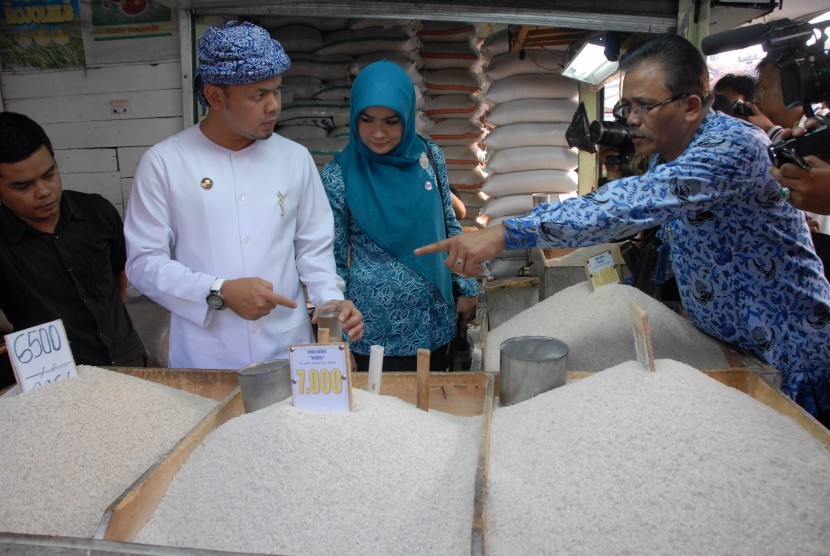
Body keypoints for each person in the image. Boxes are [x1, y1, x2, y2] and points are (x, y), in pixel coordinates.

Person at [416, 33, 830, 426]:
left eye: (644, 107)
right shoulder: (666, 152)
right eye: (625, 106)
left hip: (787, 351)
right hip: (732, 344)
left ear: (690, 105)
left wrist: (507, 232)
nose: (631, 121)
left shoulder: (733, 147)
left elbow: (627, 204)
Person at [124, 21, 362, 370]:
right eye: (258, 95)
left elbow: (313, 247)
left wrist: (331, 303)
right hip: (205, 354)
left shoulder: (294, 158)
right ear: (215, 97)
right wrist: (219, 291)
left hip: (286, 347)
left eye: (277, 91)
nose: (274, 106)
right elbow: (143, 264)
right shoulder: (165, 163)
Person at [321, 60, 478, 372]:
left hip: (436, 320)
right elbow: (331, 260)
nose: (378, 133)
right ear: (354, 117)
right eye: (367, 120)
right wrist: (335, 333)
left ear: (407, 116)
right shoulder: (339, 176)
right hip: (374, 333)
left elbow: (448, 223)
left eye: (391, 121)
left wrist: (467, 287)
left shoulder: (429, 157)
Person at [0, 111, 147, 381]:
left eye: (49, 174)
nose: (43, 191)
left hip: (128, 363)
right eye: (23, 186)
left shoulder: (97, 211)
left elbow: (120, 272)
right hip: (55, 381)